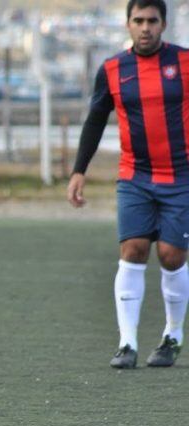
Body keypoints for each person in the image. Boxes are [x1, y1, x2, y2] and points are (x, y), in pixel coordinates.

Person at [68, 0, 188, 369]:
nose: (145, 27)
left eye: (152, 20)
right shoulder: (112, 69)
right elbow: (94, 120)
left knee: (171, 255)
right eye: (139, 21)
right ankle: (127, 343)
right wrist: (78, 170)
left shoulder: (185, 63)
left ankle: (172, 335)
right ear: (128, 25)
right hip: (135, 177)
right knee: (133, 249)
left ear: (163, 24)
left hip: (182, 177)